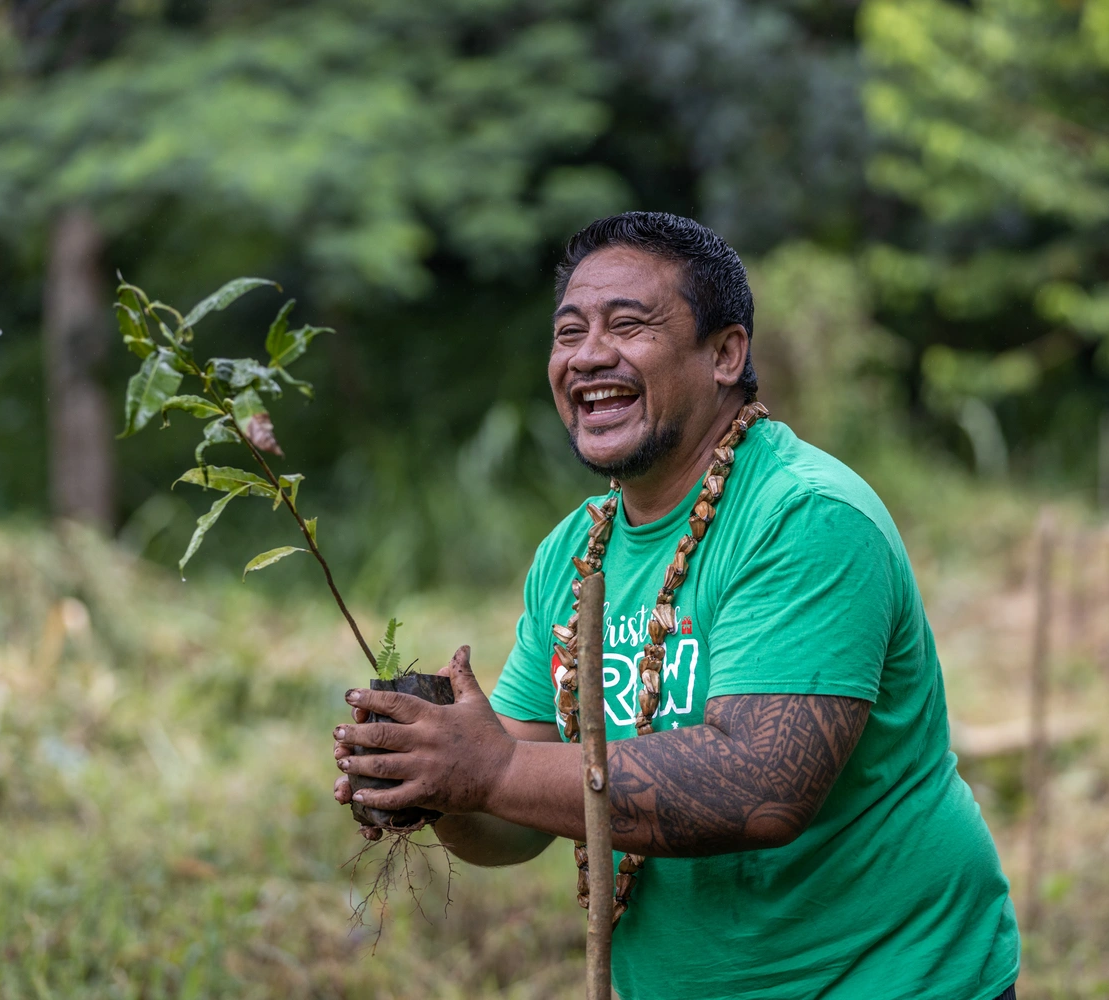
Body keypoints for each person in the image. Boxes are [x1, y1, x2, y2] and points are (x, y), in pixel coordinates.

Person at [332, 212, 1020, 1000]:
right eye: (568, 332)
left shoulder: (807, 516)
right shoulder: (574, 552)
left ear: (726, 354)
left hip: (891, 978)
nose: (589, 355)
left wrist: (489, 768)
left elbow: (762, 787)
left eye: (628, 325)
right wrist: (435, 784)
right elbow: (512, 819)